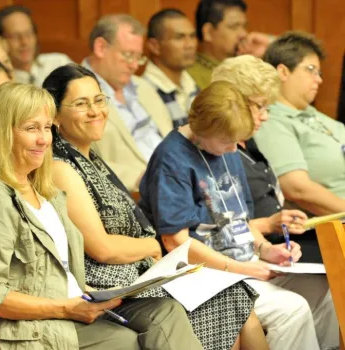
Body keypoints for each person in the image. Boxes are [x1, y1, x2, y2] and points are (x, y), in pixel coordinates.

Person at [42, 63, 269, 350]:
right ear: (55, 115)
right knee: (230, 298)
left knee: (235, 297)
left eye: (99, 100)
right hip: (109, 285)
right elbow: (102, 248)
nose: (95, 111)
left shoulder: (90, 158)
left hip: (141, 274)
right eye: (81, 104)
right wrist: (152, 248)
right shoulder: (62, 167)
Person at [0, 81, 204, 350]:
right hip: (34, 325)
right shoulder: (0, 198)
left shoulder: (47, 192)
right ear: (3, 133)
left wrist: (88, 297)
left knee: (166, 311)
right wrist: (65, 308)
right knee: (122, 341)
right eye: (31, 128)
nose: (43, 139)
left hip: (77, 302)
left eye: (47, 127)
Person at [139, 80, 339, 350]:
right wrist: (243, 268)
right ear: (201, 129)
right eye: (227, 142)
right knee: (291, 309)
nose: (234, 150)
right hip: (202, 273)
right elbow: (176, 243)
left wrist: (266, 249)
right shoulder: (171, 159)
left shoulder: (227, 146)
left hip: (242, 263)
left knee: (327, 292)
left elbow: (239, 220)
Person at [211, 55, 308, 242]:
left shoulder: (248, 142)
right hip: (252, 251)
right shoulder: (215, 151)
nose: (265, 117)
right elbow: (214, 230)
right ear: (234, 101)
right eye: (260, 106)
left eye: (267, 108)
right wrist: (268, 225)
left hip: (278, 243)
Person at [254, 31, 345, 216]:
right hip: (325, 231)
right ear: (283, 72)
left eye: (319, 72)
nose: (319, 79)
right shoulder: (270, 120)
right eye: (311, 69)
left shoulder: (319, 117)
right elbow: (297, 188)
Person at [83, 14, 173, 191]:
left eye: (138, 57)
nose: (134, 66)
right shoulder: (72, 93)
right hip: (133, 193)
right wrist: (144, 180)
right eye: (128, 55)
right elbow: (77, 160)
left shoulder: (143, 86)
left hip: (175, 182)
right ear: (101, 47)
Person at [187, 0, 273, 89]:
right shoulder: (189, 76)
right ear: (208, 32)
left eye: (244, 26)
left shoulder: (245, 67)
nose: (243, 34)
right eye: (234, 27)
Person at [144, 8, 199, 128]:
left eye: (192, 36)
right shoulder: (144, 92)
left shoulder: (192, 84)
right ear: (155, 46)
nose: (190, 45)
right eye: (179, 38)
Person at [0, 5, 72, 86]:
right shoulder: (3, 80)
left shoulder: (59, 63)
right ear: (1, 41)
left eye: (28, 33)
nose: (24, 42)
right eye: (15, 36)